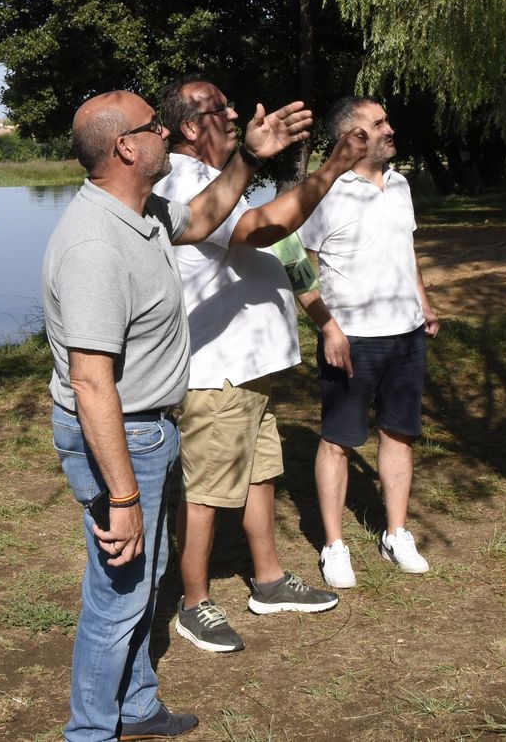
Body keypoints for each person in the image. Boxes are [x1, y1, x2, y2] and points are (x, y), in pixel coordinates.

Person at [43, 89, 312, 742]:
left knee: (145, 579)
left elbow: (205, 214)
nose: (165, 132)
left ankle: (135, 709)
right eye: (152, 126)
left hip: (149, 427)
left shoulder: (143, 212)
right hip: (119, 437)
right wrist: (124, 495)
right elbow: (91, 383)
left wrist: (247, 156)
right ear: (126, 148)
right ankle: (89, 732)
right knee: (117, 596)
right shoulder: (95, 247)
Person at [153, 78, 368, 653]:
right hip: (215, 372)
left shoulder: (219, 178)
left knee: (258, 474)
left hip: (248, 369)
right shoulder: (184, 180)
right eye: (218, 108)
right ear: (191, 128)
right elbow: (263, 230)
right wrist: (333, 168)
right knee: (206, 492)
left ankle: (268, 580)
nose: (233, 111)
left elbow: (278, 240)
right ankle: (193, 603)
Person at [299, 97, 441, 580]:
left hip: (405, 335)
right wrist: (328, 327)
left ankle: (395, 533)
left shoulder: (400, 184)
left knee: (399, 433)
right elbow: (299, 267)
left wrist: (423, 302)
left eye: (385, 121)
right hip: (352, 339)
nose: (388, 128)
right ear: (350, 139)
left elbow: (407, 251)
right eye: (376, 123)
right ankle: (334, 545)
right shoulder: (325, 193)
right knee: (339, 441)